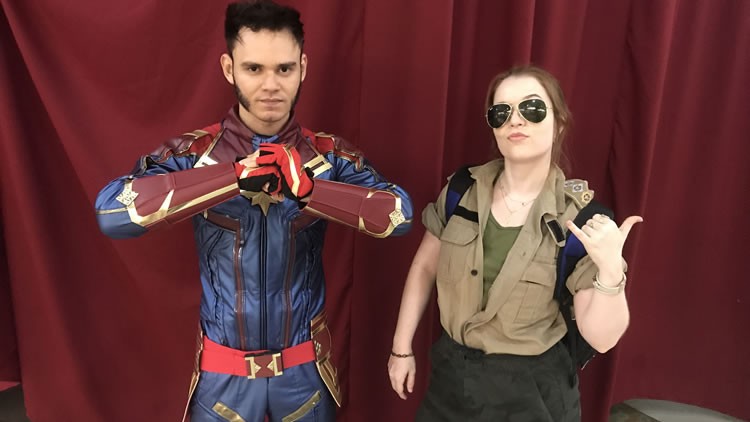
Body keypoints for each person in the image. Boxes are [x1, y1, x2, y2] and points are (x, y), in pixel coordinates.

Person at [95, 1, 413, 421]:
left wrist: (311, 190)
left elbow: (399, 216)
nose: (270, 85)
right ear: (229, 68)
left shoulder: (328, 154)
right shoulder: (195, 152)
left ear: (303, 67)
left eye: (284, 69)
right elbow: (112, 213)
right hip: (222, 377)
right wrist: (230, 177)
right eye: (254, 68)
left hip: (304, 373)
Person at [387, 65, 641, 421]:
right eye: (501, 112)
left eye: (532, 109)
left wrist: (611, 271)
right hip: (451, 382)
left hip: (531, 395)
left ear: (559, 123)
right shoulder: (461, 191)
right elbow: (425, 267)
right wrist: (401, 348)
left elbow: (600, 339)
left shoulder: (580, 219)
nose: (515, 120)